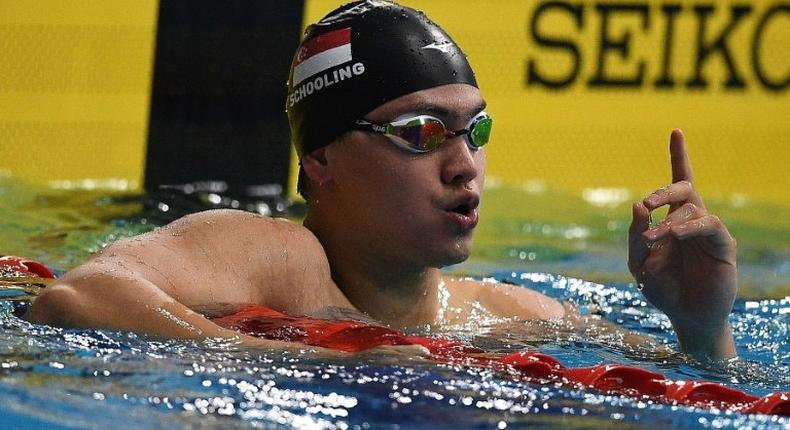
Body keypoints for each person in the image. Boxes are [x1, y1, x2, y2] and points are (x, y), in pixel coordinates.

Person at [29, 0, 737, 362]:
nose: (463, 163)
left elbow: (713, 387)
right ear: (320, 162)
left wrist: (703, 328)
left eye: (475, 130)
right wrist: (283, 359)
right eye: (421, 134)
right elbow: (79, 294)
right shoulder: (273, 259)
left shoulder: (509, 314)